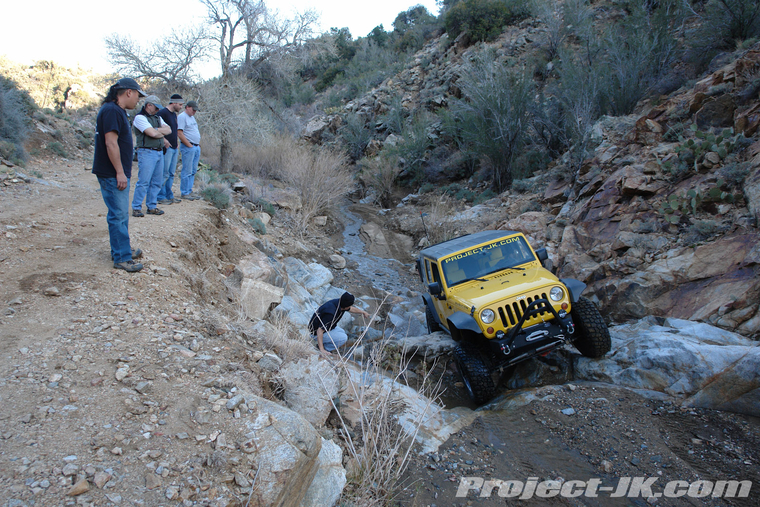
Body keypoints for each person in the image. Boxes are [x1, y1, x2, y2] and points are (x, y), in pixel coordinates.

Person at [92, 77, 145, 273]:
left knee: (121, 213)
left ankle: (122, 250)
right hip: (112, 173)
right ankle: (121, 257)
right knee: (118, 214)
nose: (138, 100)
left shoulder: (115, 111)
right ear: (128, 92)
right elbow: (110, 143)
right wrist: (120, 172)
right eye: (138, 95)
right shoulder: (112, 110)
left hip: (115, 172)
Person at [131, 95, 172, 217]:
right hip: (147, 152)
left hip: (159, 152)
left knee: (157, 181)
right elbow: (152, 133)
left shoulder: (157, 118)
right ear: (149, 105)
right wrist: (156, 132)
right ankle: (137, 207)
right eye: (156, 107)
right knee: (144, 181)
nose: (157, 110)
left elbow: (169, 130)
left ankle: (152, 206)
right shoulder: (139, 118)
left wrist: (155, 131)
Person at [308, 292, 370, 356]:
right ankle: (324, 348)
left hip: (328, 327)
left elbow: (351, 309)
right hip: (314, 333)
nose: (350, 307)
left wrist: (363, 312)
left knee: (342, 332)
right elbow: (320, 330)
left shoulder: (339, 303)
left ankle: (324, 345)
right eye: (349, 306)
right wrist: (322, 349)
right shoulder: (331, 313)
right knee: (343, 338)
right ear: (346, 307)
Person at [156, 94, 184, 205]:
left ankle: (168, 195)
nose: (181, 107)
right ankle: (160, 196)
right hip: (166, 148)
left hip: (174, 147)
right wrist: (164, 140)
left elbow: (174, 130)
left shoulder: (173, 115)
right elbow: (155, 128)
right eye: (180, 104)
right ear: (174, 103)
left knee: (171, 173)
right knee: (164, 173)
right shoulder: (162, 113)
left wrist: (176, 142)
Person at [177, 100, 201, 200]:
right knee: (187, 170)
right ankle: (184, 192)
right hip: (188, 147)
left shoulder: (192, 117)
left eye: (195, 110)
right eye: (193, 109)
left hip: (195, 146)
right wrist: (189, 145)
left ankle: (189, 190)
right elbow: (179, 132)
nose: (194, 112)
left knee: (193, 170)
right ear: (187, 107)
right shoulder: (182, 117)